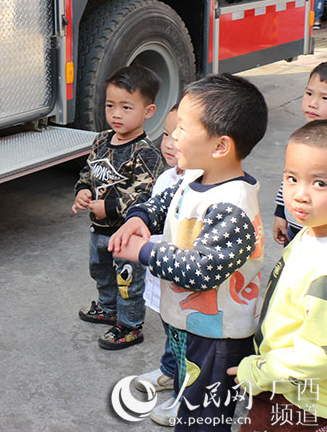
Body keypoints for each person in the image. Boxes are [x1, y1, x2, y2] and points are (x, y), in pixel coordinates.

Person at [110, 73, 268, 431]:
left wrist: (145, 251)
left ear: (220, 146)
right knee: (189, 392)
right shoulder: (196, 176)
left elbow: (202, 269)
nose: (173, 135)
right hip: (191, 323)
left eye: (182, 127)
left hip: (218, 336)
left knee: (205, 417)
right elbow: (166, 203)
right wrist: (140, 218)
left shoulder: (233, 206)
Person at [227, 120, 327, 432]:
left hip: (299, 400)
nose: (300, 195)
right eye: (292, 178)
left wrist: (256, 371)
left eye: (319, 183)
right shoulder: (310, 233)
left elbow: (315, 358)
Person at [72, 66, 165, 350]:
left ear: (148, 111)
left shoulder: (146, 153)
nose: (116, 114)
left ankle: (130, 325)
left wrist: (110, 207)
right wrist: (83, 191)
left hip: (127, 235)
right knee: (100, 271)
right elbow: (89, 172)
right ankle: (107, 308)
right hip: (98, 229)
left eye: (126, 107)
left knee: (128, 281)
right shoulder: (102, 140)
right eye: (110, 105)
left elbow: (145, 196)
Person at [133, 104, 189, 427]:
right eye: (166, 134)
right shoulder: (168, 176)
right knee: (170, 326)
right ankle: (170, 370)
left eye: (178, 135)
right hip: (162, 272)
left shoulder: (201, 186)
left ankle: (184, 396)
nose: (168, 143)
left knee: (183, 337)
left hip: (179, 276)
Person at [272, 62, 327, 246]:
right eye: (309, 93)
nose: (312, 103)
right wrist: (281, 212)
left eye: (324, 98)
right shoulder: (301, 137)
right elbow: (288, 176)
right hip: (295, 227)